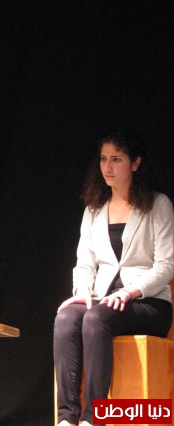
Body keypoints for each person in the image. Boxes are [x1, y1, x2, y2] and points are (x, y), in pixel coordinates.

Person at [53, 129, 174, 426]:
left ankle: (94, 418)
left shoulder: (158, 205)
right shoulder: (94, 210)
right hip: (103, 299)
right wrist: (83, 291)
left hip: (148, 303)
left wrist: (130, 291)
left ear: (135, 163)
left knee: (96, 319)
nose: (107, 167)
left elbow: (166, 265)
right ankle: (67, 417)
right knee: (66, 318)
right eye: (103, 159)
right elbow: (84, 263)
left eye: (116, 159)